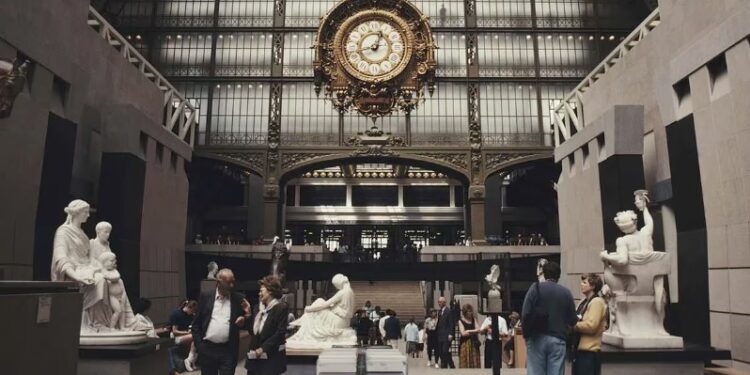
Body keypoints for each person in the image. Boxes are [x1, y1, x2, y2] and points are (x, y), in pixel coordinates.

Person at [192, 269, 252, 375]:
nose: (232, 285)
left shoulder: (238, 299)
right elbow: (196, 324)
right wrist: (199, 346)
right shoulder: (206, 297)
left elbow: (250, 325)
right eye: (229, 282)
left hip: (228, 350)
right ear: (219, 282)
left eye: (233, 281)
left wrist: (247, 316)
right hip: (207, 349)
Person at [521, 261, 576, 375]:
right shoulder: (566, 293)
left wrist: (526, 336)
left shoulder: (534, 289)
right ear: (559, 275)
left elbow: (525, 313)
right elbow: (572, 320)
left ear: (544, 274)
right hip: (558, 339)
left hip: (536, 337)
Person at [287, 274, 356, 347]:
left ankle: (303, 322)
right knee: (319, 305)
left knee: (319, 302)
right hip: (344, 321)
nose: (336, 288)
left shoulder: (343, 292)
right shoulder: (350, 292)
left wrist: (309, 309)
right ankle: (303, 320)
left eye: (335, 285)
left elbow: (326, 304)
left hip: (339, 321)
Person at [246, 275, 290, 375]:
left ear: (270, 291)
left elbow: (280, 333)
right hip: (255, 359)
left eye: (262, 291)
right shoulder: (257, 308)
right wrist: (248, 315)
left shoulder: (281, 308)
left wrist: (263, 348)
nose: (259, 293)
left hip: (271, 358)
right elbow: (252, 332)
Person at [572, 273, 607, 375]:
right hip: (579, 351)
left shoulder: (597, 302)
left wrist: (573, 326)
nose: (581, 284)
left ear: (593, 286)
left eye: (584, 282)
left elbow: (592, 326)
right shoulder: (583, 302)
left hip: (590, 352)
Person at [168, 300, 198, 374]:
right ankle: (189, 360)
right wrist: (186, 332)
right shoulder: (176, 314)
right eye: (192, 311)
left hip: (188, 335)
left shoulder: (191, 316)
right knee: (195, 337)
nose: (193, 313)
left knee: (198, 338)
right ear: (189, 308)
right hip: (177, 337)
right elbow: (174, 331)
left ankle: (191, 360)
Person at [457, 304, 481, 368]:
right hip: (465, 343)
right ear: (465, 312)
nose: (470, 313)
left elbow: (478, 329)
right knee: (465, 361)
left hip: (474, 342)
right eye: (469, 311)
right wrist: (474, 331)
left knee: (475, 361)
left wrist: (468, 331)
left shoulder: (474, 319)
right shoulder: (460, 321)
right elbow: (463, 334)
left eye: (471, 311)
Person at [436, 296, 456, 368]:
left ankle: (444, 366)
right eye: (439, 302)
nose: (440, 303)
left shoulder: (449, 311)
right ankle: (451, 365)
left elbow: (451, 323)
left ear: (445, 302)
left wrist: (451, 334)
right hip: (440, 335)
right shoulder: (440, 312)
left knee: (445, 351)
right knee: (441, 351)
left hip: (446, 335)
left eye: (441, 302)